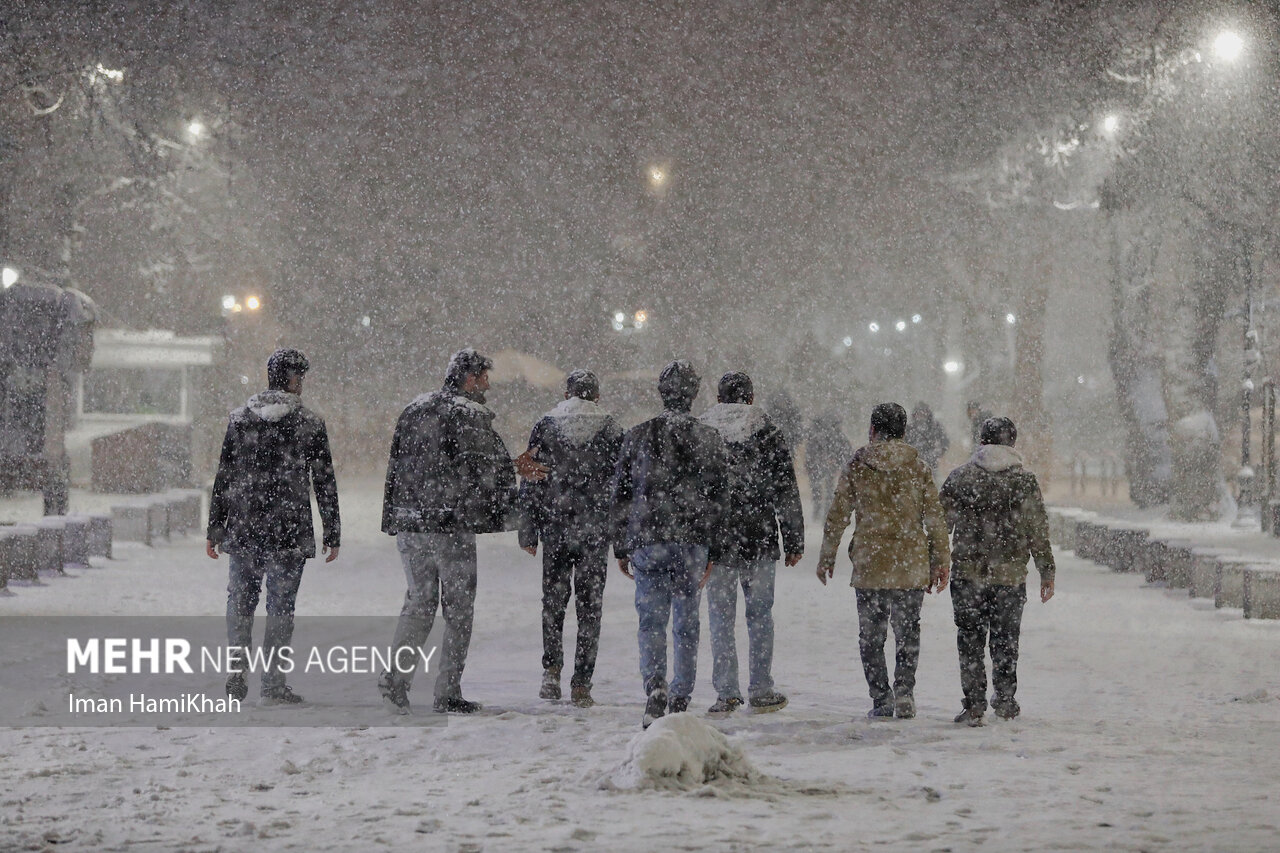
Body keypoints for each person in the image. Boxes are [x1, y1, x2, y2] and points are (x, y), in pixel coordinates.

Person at [377, 348, 546, 715]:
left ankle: (394, 682)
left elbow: (396, 465)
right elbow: (481, 466)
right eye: (484, 378)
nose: (487, 385)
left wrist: (392, 516)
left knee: (418, 604)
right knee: (458, 610)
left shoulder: (414, 410)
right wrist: (514, 470)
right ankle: (447, 691)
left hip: (410, 522)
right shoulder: (467, 414)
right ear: (469, 378)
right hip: (449, 524)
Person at [206, 348, 340, 705]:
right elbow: (324, 481)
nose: (302, 384)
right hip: (289, 529)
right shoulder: (309, 423)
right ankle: (273, 684)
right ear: (293, 379)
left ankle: (237, 669)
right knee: (281, 608)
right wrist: (332, 530)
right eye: (301, 377)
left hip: (244, 525)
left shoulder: (240, 419)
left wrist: (215, 528)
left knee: (240, 603)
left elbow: (225, 476)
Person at [612, 360, 728, 728]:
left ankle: (655, 686)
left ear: (661, 393)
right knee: (687, 620)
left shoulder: (637, 436)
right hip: (692, 540)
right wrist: (717, 547)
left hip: (649, 537)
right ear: (693, 395)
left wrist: (620, 544)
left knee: (651, 621)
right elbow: (719, 497)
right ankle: (681, 691)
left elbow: (621, 494)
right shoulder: (709, 439)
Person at [816, 402, 950, 720]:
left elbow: (837, 514)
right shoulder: (918, 466)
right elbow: (935, 518)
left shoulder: (858, 464)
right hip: (910, 563)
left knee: (871, 636)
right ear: (904, 432)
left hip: (870, 562)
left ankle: (881, 697)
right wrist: (941, 560)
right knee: (908, 632)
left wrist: (827, 555)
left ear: (873, 430)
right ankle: (904, 693)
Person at [939, 416, 1055, 726]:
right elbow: (1037, 529)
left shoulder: (961, 477)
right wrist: (1046, 569)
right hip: (1010, 575)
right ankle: (1005, 699)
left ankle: (974, 702)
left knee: (970, 639)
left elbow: (940, 526)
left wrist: (936, 561)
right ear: (1012, 443)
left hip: (967, 574)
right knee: (1006, 639)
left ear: (982, 441)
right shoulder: (1025, 481)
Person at [518, 369, 624, 708]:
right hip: (596, 530)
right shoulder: (611, 429)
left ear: (567, 395)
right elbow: (622, 489)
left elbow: (531, 476)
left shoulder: (546, 425)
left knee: (553, 603)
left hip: (556, 526)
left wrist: (528, 528)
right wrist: (622, 540)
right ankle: (582, 682)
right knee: (590, 607)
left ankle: (551, 671)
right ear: (596, 396)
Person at [699, 372, 803, 716]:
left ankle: (726, 690)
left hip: (716, 540)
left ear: (718, 397)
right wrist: (794, 537)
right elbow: (785, 485)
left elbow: (693, 489)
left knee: (720, 616)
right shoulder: (767, 429)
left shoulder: (702, 430)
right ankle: (761, 687)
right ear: (751, 397)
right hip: (758, 536)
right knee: (760, 615)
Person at [804, 413, 852, 521]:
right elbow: (846, 452)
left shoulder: (817, 435)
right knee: (826, 490)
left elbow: (810, 451)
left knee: (821, 490)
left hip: (822, 467)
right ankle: (823, 511)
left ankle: (820, 511)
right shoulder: (836, 436)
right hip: (824, 467)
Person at [905, 402, 950, 474]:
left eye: (923, 413)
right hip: (914, 462)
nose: (921, 415)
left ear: (928, 413)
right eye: (918, 413)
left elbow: (945, 441)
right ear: (914, 414)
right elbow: (904, 443)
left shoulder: (935, 426)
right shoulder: (909, 428)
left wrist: (938, 452)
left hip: (931, 462)